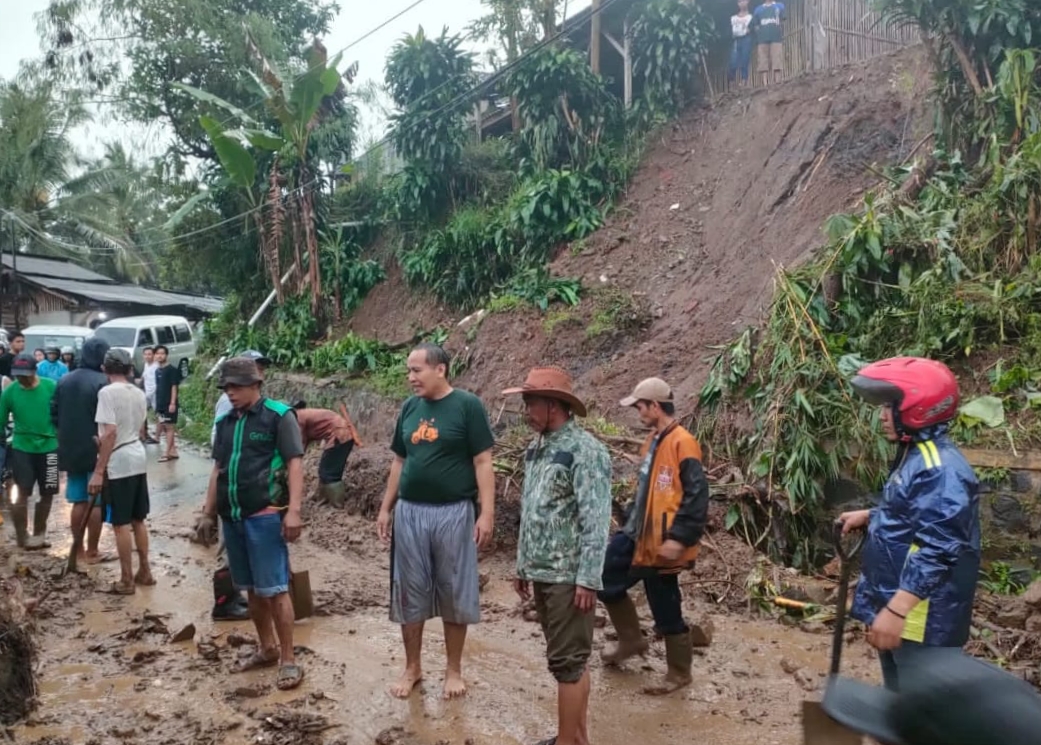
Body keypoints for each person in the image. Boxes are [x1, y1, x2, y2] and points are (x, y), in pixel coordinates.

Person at [838, 356, 980, 692]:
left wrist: (897, 611)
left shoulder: (939, 468)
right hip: (903, 608)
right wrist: (873, 516)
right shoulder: (916, 454)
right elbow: (919, 515)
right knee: (901, 701)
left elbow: (940, 546)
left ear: (919, 407)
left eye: (890, 406)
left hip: (921, 618)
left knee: (924, 709)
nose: (882, 416)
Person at [376, 343, 495, 700]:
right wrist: (385, 508)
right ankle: (412, 666)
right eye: (408, 371)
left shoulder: (468, 407)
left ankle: (453, 669)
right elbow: (399, 461)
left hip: (454, 512)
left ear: (440, 369)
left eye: (417, 370)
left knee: (454, 589)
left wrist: (486, 513)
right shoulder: (410, 408)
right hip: (410, 512)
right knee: (408, 590)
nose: (411, 378)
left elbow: (483, 462)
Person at [504, 367, 611, 745]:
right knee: (566, 661)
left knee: (568, 664)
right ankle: (577, 737)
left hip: (569, 577)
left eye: (530, 402)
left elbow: (596, 519)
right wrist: (522, 563)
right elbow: (531, 510)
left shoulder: (585, 451)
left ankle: (567, 742)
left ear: (552, 405)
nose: (525, 410)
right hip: (543, 572)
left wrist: (587, 578)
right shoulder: (537, 449)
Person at [196, 357, 306, 691]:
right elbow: (218, 469)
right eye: (227, 387)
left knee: (275, 589)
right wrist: (207, 512)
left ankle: (288, 659)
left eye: (237, 387)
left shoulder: (278, 416)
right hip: (234, 517)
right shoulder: (227, 422)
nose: (230, 393)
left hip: (265, 515)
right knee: (251, 590)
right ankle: (266, 648)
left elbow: (295, 464)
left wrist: (294, 511)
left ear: (256, 385)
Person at [598, 378, 709, 695]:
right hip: (638, 534)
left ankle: (679, 672)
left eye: (639, 406)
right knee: (604, 576)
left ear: (655, 406)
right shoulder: (653, 441)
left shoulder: (682, 443)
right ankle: (631, 639)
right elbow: (647, 490)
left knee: (665, 603)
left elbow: (697, 496)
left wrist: (680, 537)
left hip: (665, 541)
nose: (637, 412)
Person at [207, 349, 270, 623]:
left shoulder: (264, 409)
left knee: (241, 552)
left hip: (244, 490)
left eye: (261, 368)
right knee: (232, 552)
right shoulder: (229, 405)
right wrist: (208, 509)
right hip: (231, 489)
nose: (260, 373)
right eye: (255, 367)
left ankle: (238, 599)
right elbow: (221, 452)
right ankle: (225, 602)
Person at [91, 348, 153, 595]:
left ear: (104, 370)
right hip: (137, 456)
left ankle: (127, 579)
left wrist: (98, 470)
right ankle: (145, 571)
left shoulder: (106, 393)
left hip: (120, 461)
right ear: (129, 369)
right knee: (139, 519)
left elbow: (110, 433)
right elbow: (138, 428)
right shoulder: (138, 393)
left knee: (120, 523)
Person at [52, 337, 111, 564]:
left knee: (78, 500)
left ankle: (77, 551)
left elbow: (54, 414)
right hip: (96, 449)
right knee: (95, 501)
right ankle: (92, 551)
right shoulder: (103, 382)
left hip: (69, 448)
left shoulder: (64, 380)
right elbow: (108, 422)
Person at [0, 353, 59, 549]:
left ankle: (39, 534)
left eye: (25, 374)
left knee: (48, 492)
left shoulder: (51, 387)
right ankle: (22, 536)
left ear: (34, 371)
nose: (21, 379)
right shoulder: (10, 392)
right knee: (21, 492)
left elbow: (62, 413)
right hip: (22, 448)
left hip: (49, 447)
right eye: (18, 375)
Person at [292, 400, 361, 508]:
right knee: (323, 470)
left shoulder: (298, 418)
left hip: (340, 436)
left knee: (330, 473)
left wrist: (295, 462)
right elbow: (304, 441)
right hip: (339, 435)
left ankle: (337, 506)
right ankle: (324, 500)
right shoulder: (303, 414)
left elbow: (300, 441)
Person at [211, 350, 270, 447]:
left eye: (261, 370)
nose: (259, 374)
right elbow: (218, 436)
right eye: (254, 369)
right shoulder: (230, 400)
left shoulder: (262, 405)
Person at [153, 345, 181, 462]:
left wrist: (172, 403)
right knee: (164, 426)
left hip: (169, 403)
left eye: (162, 353)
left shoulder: (172, 370)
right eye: (158, 353)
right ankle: (173, 450)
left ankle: (167, 453)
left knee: (169, 427)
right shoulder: (157, 371)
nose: (160, 356)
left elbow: (174, 387)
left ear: (166, 355)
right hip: (160, 403)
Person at [752, 0, 786, 86]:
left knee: (777, 58)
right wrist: (760, 34)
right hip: (762, 39)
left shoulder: (779, 6)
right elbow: (756, 25)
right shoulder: (758, 10)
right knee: (763, 60)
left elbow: (783, 21)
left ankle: (777, 81)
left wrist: (780, 31)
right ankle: (765, 83)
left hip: (776, 37)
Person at [729, 0, 754, 87]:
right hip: (736, 40)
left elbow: (751, 29)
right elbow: (732, 31)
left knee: (744, 60)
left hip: (746, 39)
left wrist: (748, 30)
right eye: (740, 1)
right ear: (737, 3)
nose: (742, 3)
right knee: (733, 62)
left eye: (744, 0)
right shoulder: (733, 18)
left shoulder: (751, 17)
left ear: (748, 2)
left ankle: (744, 83)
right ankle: (732, 84)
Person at [138, 346, 158, 444]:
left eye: (149, 354)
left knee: (159, 415)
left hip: (155, 393)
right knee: (141, 413)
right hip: (147, 394)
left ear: (153, 355)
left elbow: (156, 382)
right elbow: (144, 376)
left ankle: (157, 436)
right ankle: (142, 435)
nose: (147, 356)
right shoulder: (146, 365)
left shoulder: (156, 366)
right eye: (145, 354)